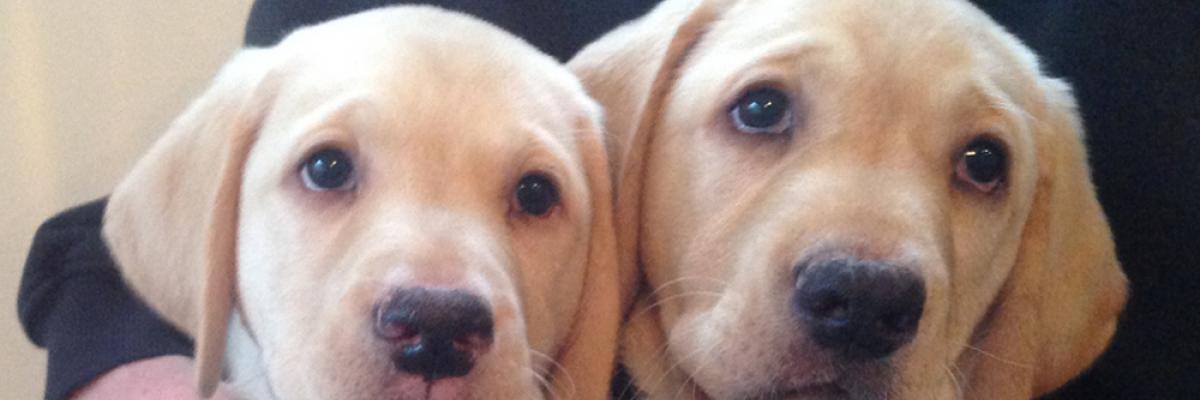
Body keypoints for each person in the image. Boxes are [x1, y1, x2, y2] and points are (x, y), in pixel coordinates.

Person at [19, 1, 1198, 399]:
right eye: (762, 110)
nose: (869, 273)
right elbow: (177, 205)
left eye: (981, 164)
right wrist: (144, 362)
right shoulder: (588, 103)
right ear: (624, 155)